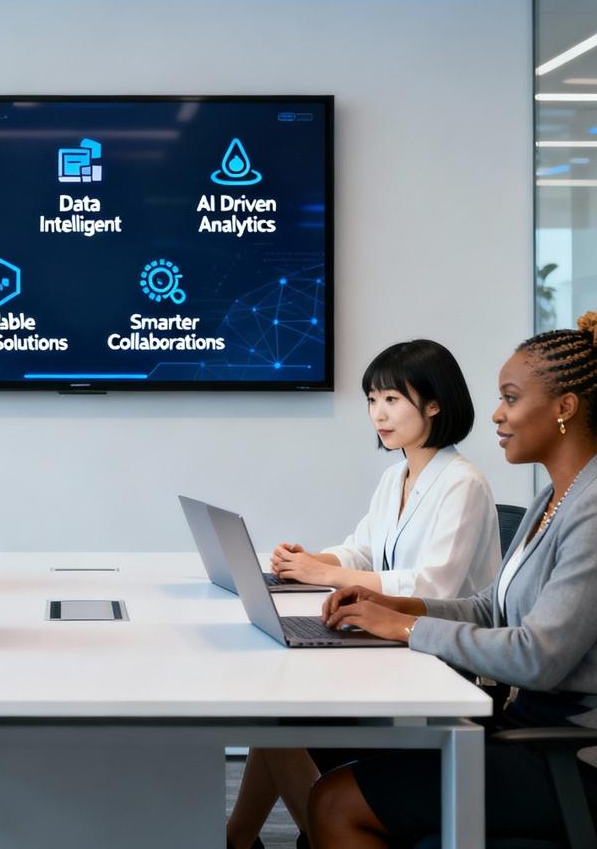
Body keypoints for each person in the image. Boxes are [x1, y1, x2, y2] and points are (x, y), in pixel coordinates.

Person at [309, 310, 597, 847]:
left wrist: (405, 630)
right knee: (337, 760)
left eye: (511, 397)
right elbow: (490, 607)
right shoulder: (555, 496)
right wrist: (401, 610)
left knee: (336, 801)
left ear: (565, 408)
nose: (497, 415)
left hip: (580, 760)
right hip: (525, 732)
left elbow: (536, 657)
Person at [227, 338, 500, 849]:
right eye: (372, 400)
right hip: (394, 647)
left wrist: (324, 574)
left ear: (435, 403)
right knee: (275, 714)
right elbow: (361, 550)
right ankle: (239, 838)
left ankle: (324, 833)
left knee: (281, 721)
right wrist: (309, 563)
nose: (379, 413)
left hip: (442, 663)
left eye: (393, 399)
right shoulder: (396, 475)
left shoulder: (462, 483)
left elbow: (430, 586)